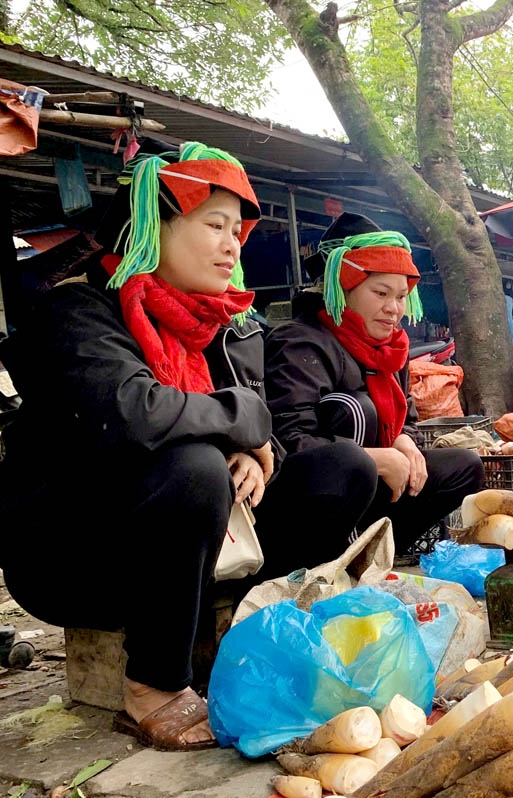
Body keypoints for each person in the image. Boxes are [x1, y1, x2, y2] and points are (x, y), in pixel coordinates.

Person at [0, 143, 377, 751]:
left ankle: (256, 629)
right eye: (214, 225)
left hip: (199, 539)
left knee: (342, 468)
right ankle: (153, 686)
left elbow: (254, 425)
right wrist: (241, 422)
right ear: (154, 226)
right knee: (195, 468)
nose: (234, 246)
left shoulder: (212, 325)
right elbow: (138, 413)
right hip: (70, 553)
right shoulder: (75, 310)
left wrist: (257, 451)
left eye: (238, 229)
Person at [264, 213, 484, 553]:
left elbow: (407, 419)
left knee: (464, 467)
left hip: (377, 485)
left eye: (400, 296)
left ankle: (376, 553)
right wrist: (375, 459)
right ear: (342, 287)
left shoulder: (391, 349)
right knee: (356, 432)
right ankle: (322, 559)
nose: (393, 309)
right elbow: (290, 443)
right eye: (381, 293)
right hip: (318, 493)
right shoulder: (299, 343)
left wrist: (405, 444)